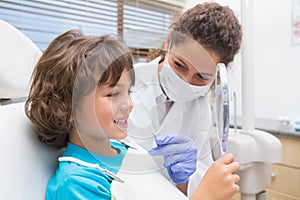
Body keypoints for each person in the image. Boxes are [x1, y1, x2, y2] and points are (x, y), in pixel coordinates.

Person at [25, 29, 239, 200]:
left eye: (128, 92)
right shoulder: (78, 184)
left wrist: (182, 183)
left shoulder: (127, 149)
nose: (129, 104)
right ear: (68, 109)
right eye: (113, 94)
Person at [127, 2, 243, 197]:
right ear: (168, 43)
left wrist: (184, 179)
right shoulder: (127, 85)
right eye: (179, 65)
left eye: (201, 77)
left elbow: (201, 184)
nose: (185, 82)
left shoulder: (200, 106)